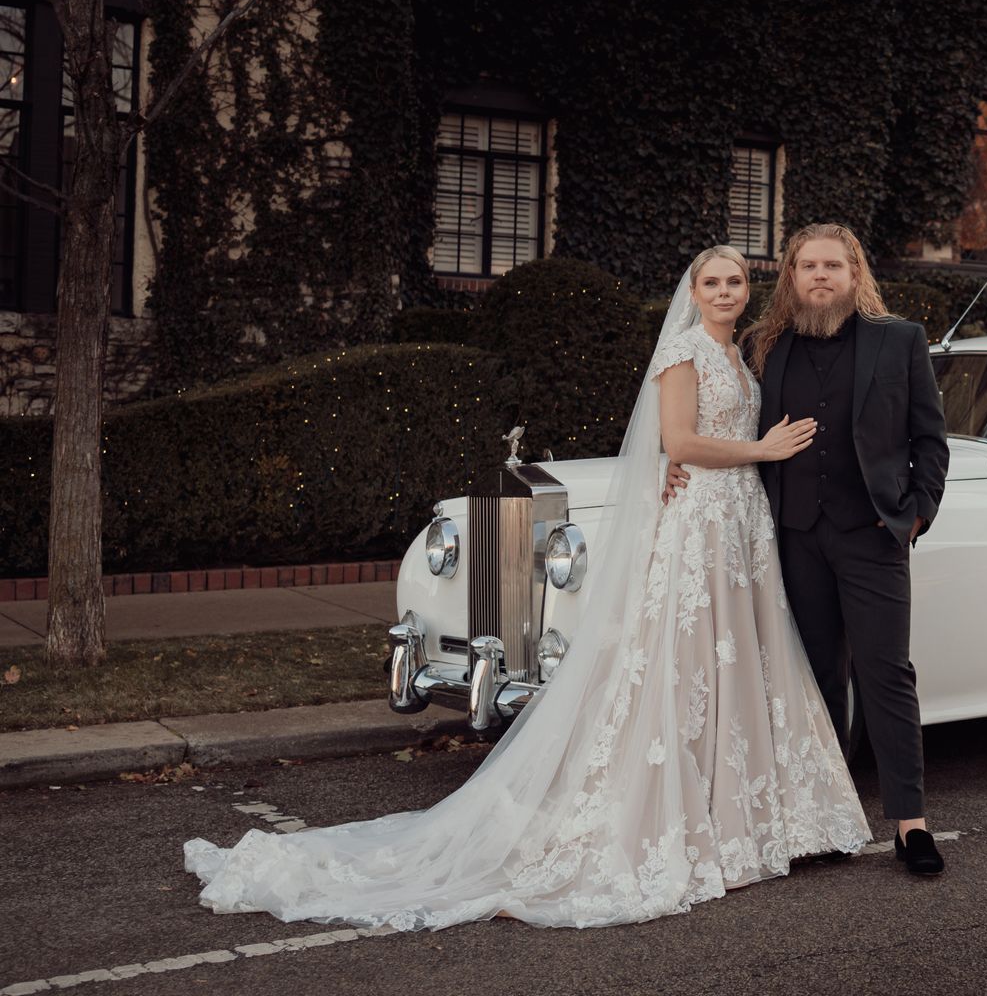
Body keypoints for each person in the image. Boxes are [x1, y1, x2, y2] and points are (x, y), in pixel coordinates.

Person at [182, 246, 870, 930]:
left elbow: (690, 444)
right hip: (701, 525)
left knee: (735, 662)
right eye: (711, 282)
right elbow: (682, 443)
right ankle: (676, 818)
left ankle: (742, 818)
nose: (724, 291)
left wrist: (741, 460)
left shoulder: (742, 355)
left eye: (735, 281)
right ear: (692, 291)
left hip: (740, 521)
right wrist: (761, 451)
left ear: (748, 289)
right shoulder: (684, 351)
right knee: (684, 663)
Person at [742, 223, 950, 875]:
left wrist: (917, 514)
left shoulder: (900, 340)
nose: (821, 276)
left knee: (887, 674)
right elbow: (731, 429)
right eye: (809, 266)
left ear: (855, 274)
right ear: (792, 277)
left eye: (834, 265)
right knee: (817, 677)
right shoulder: (763, 347)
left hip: (874, 535)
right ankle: (827, 815)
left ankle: (911, 824)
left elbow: (930, 439)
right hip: (796, 535)